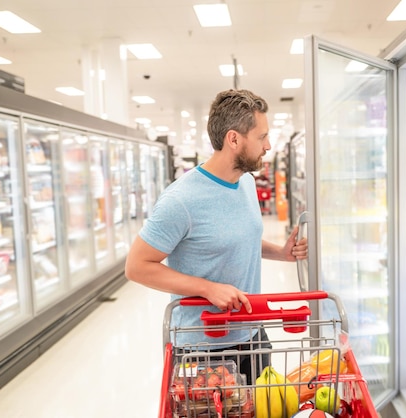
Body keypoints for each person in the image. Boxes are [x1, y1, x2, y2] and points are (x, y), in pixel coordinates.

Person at [124, 89, 308, 383]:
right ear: (234, 139)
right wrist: (208, 288)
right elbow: (136, 267)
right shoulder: (181, 200)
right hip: (204, 346)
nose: (268, 145)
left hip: (252, 332)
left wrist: (281, 253)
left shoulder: (245, 182)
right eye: (261, 137)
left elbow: (234, 239)